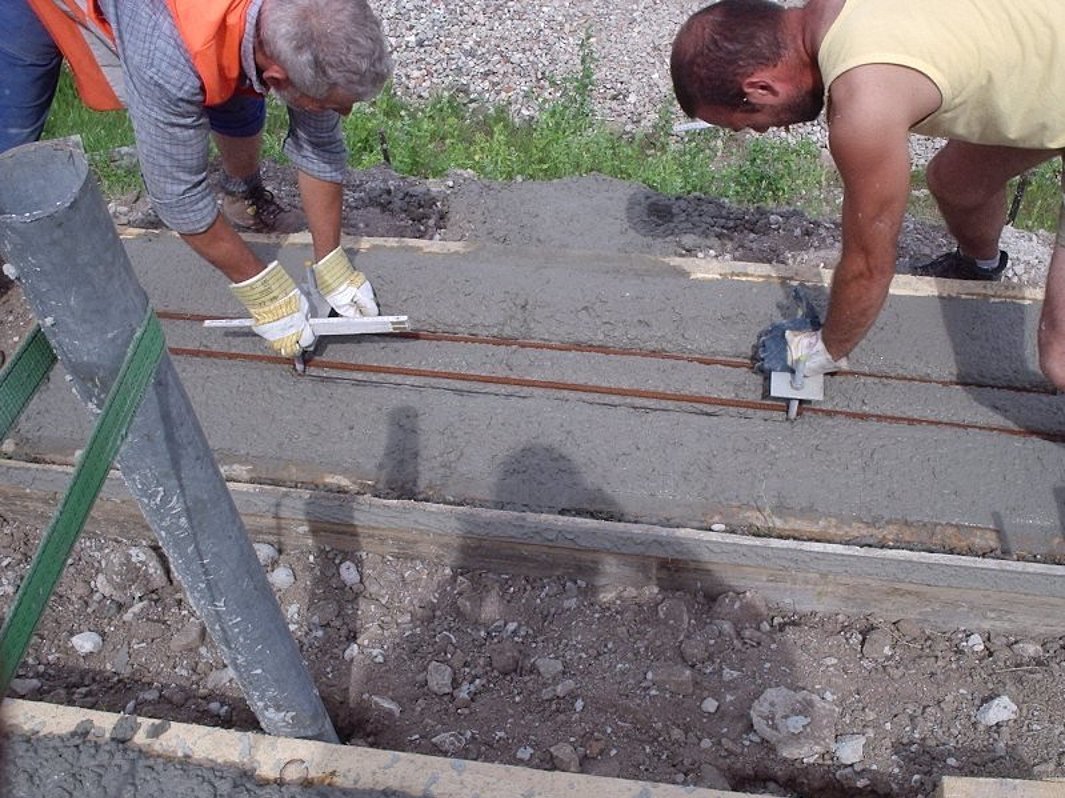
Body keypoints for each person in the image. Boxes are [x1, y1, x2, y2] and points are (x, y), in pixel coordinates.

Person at [670, 0, 1065, 391]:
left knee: (1059, 357)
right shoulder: (837, 12)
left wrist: (822, 349)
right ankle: (980, 268)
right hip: (1047, 56)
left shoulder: (863, 100)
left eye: (747, 122)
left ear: (761, 87)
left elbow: (869, 265)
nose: (758, 132)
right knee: (956, 182)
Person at [1, 0, 394, 358]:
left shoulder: (313, 18)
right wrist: (264, 293)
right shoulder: (165, 56)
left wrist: (332, 262)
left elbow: (320, 141)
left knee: (229, 86)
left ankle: (242, 194)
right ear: (277, 76)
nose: (342, 116)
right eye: (330, 106)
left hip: (205, 29)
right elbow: (178, 196)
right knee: (10, 138)